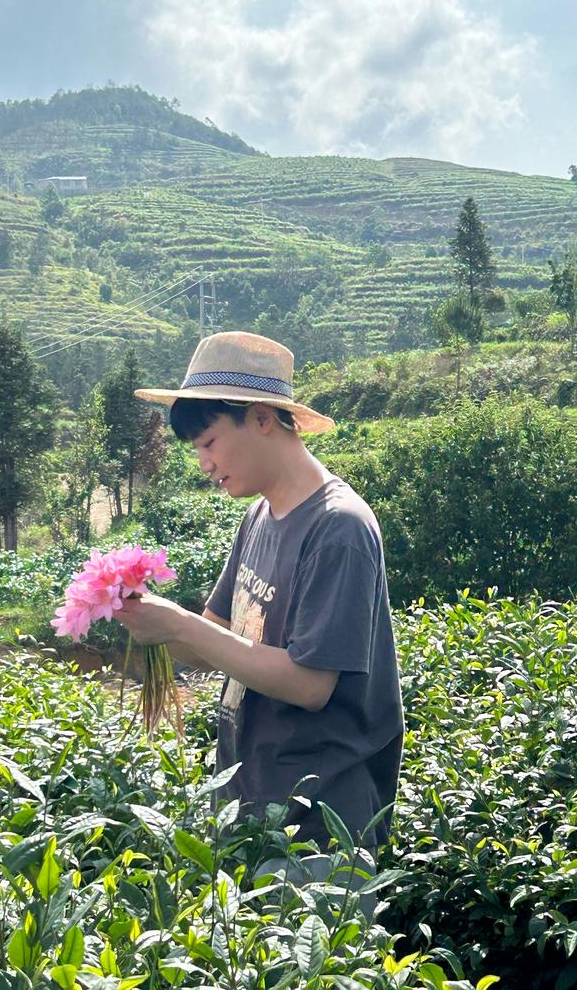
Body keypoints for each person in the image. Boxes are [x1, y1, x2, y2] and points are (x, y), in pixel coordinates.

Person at [113, 330, 404, 858]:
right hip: (252, 807)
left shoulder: (338, 529)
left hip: (318, 825)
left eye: (209, 443)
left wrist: (179, 625)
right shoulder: (260, 517)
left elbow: (311, 684)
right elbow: (215, 637)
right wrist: (144, 613)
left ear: (262, 419)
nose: (204, 463)